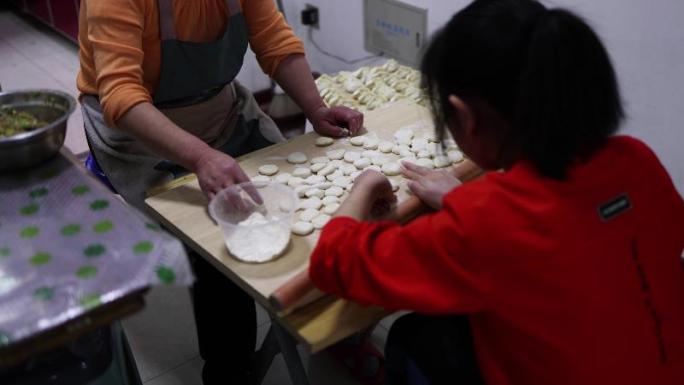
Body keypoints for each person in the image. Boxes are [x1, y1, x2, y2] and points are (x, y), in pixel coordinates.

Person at [307, 1, 684, 384]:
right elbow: (567, 235)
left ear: (466, 117)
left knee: (412, 335)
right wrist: (462, 201)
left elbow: (334, 262)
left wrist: (364, 185)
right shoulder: (639, 163)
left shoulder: (486, 222)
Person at [76, 1, 362, 384]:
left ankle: (331, 326)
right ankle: (230, 368)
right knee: (214, 245)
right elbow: (121, 96)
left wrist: (315, 108)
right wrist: (201, 157)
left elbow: (273, 40)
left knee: (296, 198)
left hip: (218, 109)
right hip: (137, 130)